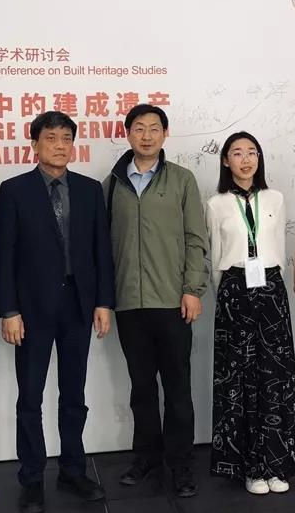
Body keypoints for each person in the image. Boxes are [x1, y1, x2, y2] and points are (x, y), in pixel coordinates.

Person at [0, 111, 115, 513]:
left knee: (74, 394)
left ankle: (73, 470)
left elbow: (101, 250)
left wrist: (103, 302)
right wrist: (7, 310)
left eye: (66, 138)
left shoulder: (88, 189)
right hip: (30, 310)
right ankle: (31, 478)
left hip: (78, 305)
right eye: (51, 138)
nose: (60, 145)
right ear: (35, 144)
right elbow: (3, 256)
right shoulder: (14, 190)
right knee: (30, 397)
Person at [102, 104, 208, 497]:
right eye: (138, 128)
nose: (146, 136)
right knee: (141, 388)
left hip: (172, 301)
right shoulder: (112, 184)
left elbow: (196, 238)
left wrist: (192, 289)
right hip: (129, 302)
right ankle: (146, 456)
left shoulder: (182, 180)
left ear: (165, 134)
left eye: (153, 128)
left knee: (178, 388)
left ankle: (180, 464)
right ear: (127, 133)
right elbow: (103, 246)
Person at [205, 132, 295, 495]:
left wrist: (270, 285)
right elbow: (216, 257)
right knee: (239, 379)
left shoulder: (275, 198)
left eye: (252, 153)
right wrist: (229, 294)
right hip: (234, 289)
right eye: (237, 153)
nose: (245, 159)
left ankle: (277, 464)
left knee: (275, 376)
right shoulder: (216, 203)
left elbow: (277, 247)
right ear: (225, 161)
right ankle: (250, 467)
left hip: (271, 289)